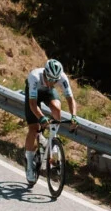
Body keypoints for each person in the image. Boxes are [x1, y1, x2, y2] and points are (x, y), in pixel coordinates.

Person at [23, 57, 76, 188]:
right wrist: (41, 117)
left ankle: (52, 137)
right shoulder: (34, 77)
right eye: (50, 79)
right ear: (45, 73)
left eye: (55, 80)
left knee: (57, 109)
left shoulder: (62, 78)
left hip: (47, 92)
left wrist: (74, 116)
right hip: (33, 95)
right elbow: (33, 104)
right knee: (34, 128)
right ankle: (29, 164)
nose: (52, 82)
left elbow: (70, 99)